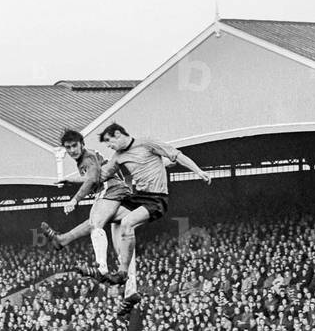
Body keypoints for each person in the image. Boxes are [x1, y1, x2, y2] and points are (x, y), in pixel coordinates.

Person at [97, 123, 212, 317]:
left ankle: (123, 271)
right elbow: (99, 176)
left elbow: (176, 155)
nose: (109, 147)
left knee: (127, 223)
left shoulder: (147, 142)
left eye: (109, 142)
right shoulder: (118, 157)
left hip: (156, 199)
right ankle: (125, 275)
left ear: (117, 134)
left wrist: (198, 171)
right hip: (138, 196)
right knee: (109, 218)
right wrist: (75, 186)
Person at [39, 129, 131, 278]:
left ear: (82, 144)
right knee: (98, 225)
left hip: (111, 188)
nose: (72, 150)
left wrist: (75, 200)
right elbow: (92, 176)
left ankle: (101, 268)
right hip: (118, 190)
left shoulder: (87, 157)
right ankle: (63, 239)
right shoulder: (86, 159)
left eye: (74, 146)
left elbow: (93, 179)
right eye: (68, 148)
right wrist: (71, 180)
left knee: (95, 223)